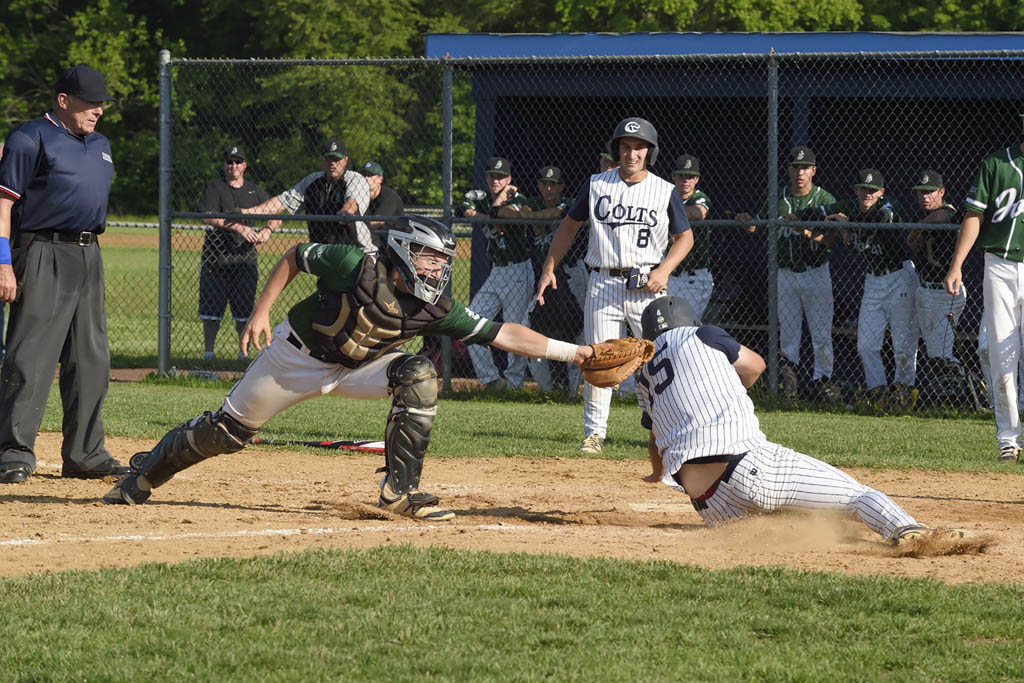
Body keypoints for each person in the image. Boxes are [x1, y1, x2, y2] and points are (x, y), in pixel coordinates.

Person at [103, 215, 595, 517]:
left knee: (418, 376)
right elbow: (295, 257)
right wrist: (260, 310)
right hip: (295, 358)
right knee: (225, 434)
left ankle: (398, 493)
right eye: (428, 258)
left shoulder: (436, 307)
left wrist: (576, 354)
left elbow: (504, 333)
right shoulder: (356, 264)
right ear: (403, 250)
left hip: (359, 368)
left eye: (441, 262)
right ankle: (144, 476)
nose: (437, 269)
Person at [636, 295, 969, 546]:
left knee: (807, 523)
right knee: (857, 497)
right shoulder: (703, 335)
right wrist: (724, 387)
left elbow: (655, 437)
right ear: (689, 319)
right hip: (752, 469)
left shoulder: (643, 374)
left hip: (712, 506)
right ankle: (912, 533)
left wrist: (656, 472)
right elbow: (755, 367)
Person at [0, 64, 128, 484]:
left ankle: (85, 453)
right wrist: (3, 262)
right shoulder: (30, 136)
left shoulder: (102, 144)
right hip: (42, 251)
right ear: (63, 100)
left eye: (101, 104)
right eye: (90, 103)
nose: (98, 111)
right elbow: (3, 206)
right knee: (30, 356)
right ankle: (13, 452)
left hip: (89, 254)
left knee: (91, 358)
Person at [536, 117, 693, 455]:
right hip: (604, 281)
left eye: (638, 147)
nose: (631, 153)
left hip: (648, 284)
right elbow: (568, 226)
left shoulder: (664, 189)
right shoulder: (596, 184)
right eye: (625, 146)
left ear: (649, 152)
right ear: (616, 150)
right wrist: (550, 267)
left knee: (661, 358)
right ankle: (594, 434)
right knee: (598, 357)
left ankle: (671, 429)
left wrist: (664, 269)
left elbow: (685, 237)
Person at [945, 114, 1024, 462]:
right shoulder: (996, 164)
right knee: (999, 352)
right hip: (1000, 265)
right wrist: (957, 264)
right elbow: (974, 216)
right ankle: (1008, 438)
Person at [737, 146, 840, 402]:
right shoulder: (777, 198)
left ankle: (823, 381)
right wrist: (746, 221)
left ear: (813, 170)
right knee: (789, 333)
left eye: (805, 167)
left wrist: (804, 230)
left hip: (815, 272)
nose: (800, 172)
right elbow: (756, 227)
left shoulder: (824, 200)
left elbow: (832, 241)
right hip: (786, 274)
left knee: (821, 334)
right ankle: (788, 383)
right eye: (795, 167)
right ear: (789, 170)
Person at [825, 169, 918, 408]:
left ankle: (903, 393)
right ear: (856, 190)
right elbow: (820, 212)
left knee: (903, 345)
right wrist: (824, 218)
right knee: (865, 344)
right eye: (863, 189)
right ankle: (878, 392)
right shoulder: (849, 205)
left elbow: (881, 219)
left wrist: (848, 224)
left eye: (873, 190)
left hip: (899, 275)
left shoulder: (888, 204)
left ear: (881, 192)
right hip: (873, 280)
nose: (868, 194)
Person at [197, 145, 281, 360]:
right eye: (229, 162)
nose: (233, 166)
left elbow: (276, 212)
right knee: (211, 312)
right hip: (216, 258)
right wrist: (238, 226)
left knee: (243, 312)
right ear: (224, 165)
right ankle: (209, 354)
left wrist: (267, 230)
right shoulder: (215, 188)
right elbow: (207, 216)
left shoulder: (255, 191)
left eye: (237, 162)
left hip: (245, 260)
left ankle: (242, 355)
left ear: (244, 165)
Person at [461, 157, 533, 391]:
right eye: (492, 175)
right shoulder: (480, 197)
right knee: (469, 324)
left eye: (501, 176)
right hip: (496, 271)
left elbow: (504, 217)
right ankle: (492, 381)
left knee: (514, 330)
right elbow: (466, 211)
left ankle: (513, 384)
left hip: (518, 270)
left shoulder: (518, 199)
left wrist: (499, 204)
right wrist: (492, 213)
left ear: (509, 179)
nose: (495, 180)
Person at [240, 138, 374, 253]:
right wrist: (246, 212)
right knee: (295, 254)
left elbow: (352, 203)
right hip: (323, 252)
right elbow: (281, 203)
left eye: (336, 158)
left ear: (345, 160)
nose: (332, 163)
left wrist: (345, 213)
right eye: (328, 158)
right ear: (322, 160)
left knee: (295, 254)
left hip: (359, 252)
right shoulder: (312, 181)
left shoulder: (355, 179)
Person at [905, 170, 966, 405]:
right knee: (934, 352)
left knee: (941, 351)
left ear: (941, 192)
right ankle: (945, 397)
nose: (925, 197)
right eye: (921, 193)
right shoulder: (924, 214)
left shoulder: (948, 212)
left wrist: (917, 229)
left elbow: (944, 217)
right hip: (926, 290)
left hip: (946, 292)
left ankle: (964, 390)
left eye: (930, 192)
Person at [519, 166, 577, 393]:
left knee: (580, 332)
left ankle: (573, 390)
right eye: (544, 183)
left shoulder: (570, 202)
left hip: (573, 273)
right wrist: (537, 218)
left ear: (562, 187)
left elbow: (559, 215)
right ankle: (548, 389)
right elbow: (524, 215)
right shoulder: (532, 201)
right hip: (545, 275)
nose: (549, 188)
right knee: (528, 327)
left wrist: (537, 218)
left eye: (554, 184)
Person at [665, 154, 714, 319]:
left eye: (690, 176)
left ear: (697, 179)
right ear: (673, 176)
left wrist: (665, 216)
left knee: (685, 325)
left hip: (694, 276)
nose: (686, 180)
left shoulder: (698, 197)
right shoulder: (666, 197)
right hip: (669, 274)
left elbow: (699, 212)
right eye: (681, 175)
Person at [359, 161, 404, 230]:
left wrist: (355, 228)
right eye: (363, 174)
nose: (366, 178)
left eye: (370, 175)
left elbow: (376, 222)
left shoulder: (389, 196)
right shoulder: (359, 195)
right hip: (368, 236)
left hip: (390, 238)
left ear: (380, 179)